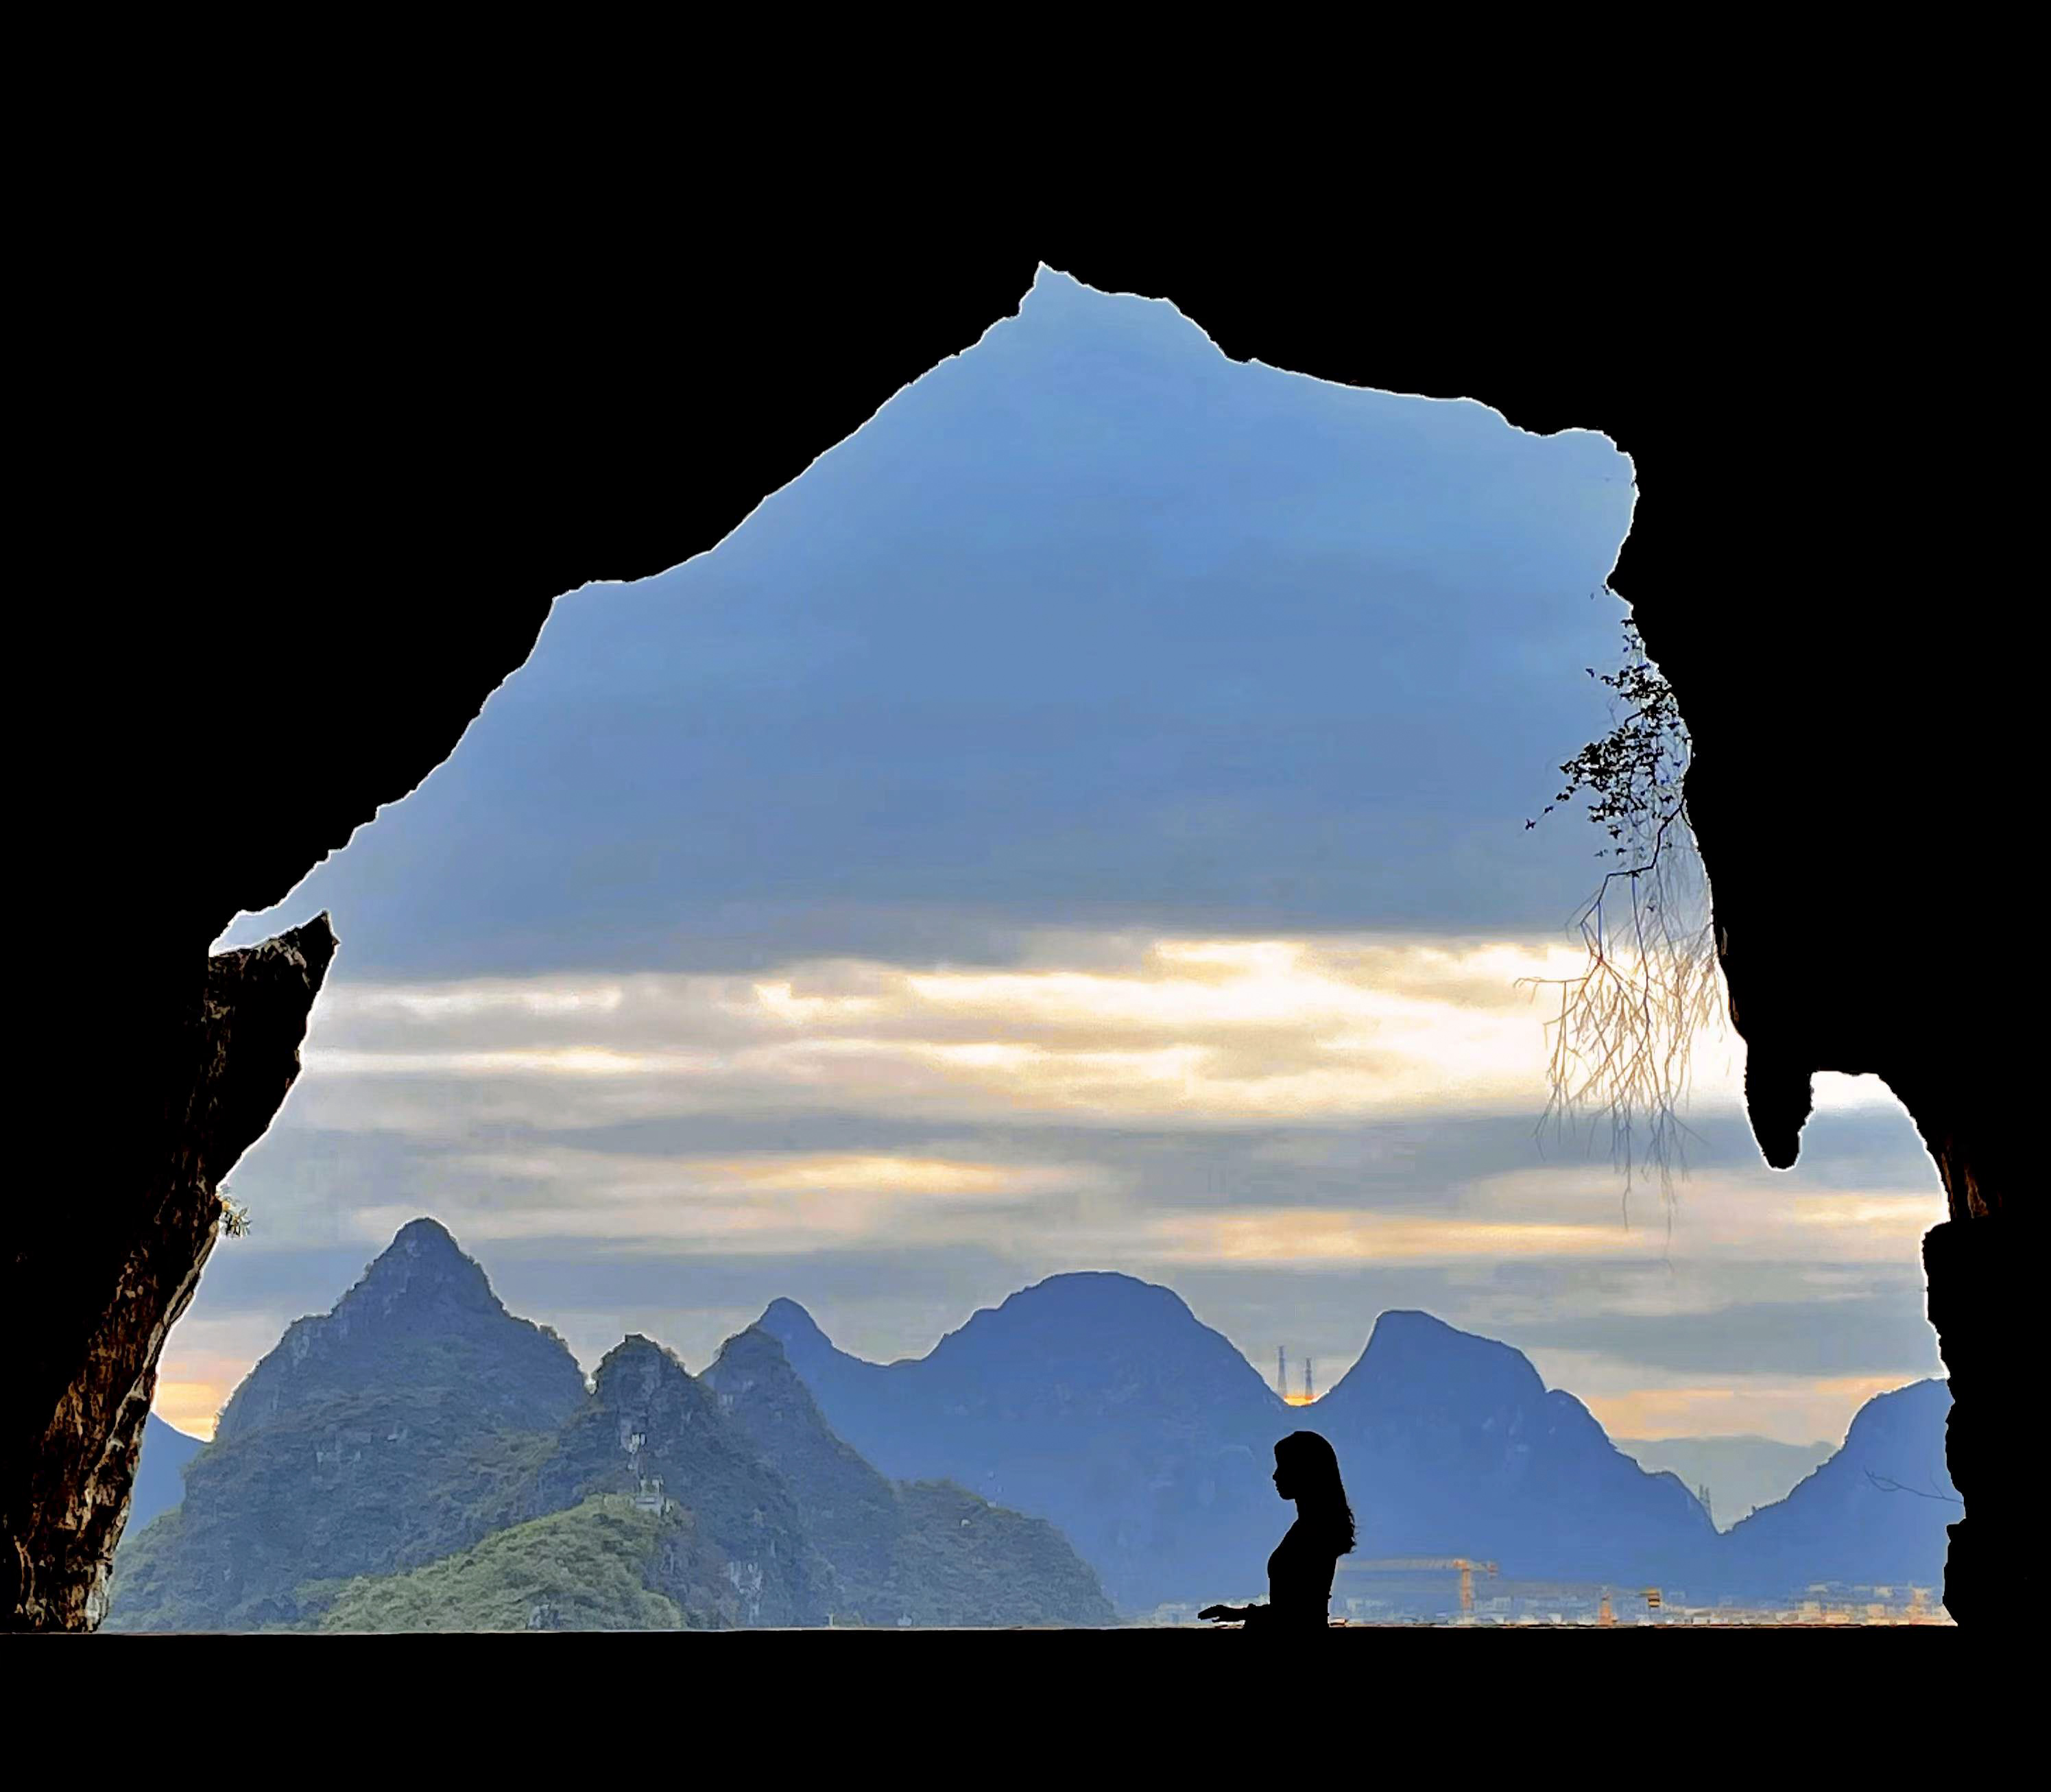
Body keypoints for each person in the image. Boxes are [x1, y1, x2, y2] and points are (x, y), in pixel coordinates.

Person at [1199, 1430, 1355, 1630]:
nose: (1275, 1475)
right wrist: (1240, 1614)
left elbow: (1297, 1615)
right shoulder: (1313, 1528)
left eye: (1283, 1466)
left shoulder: (1312, 1533)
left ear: (1304, 1472)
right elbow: (1296, 1609)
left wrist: (1241, 1614)